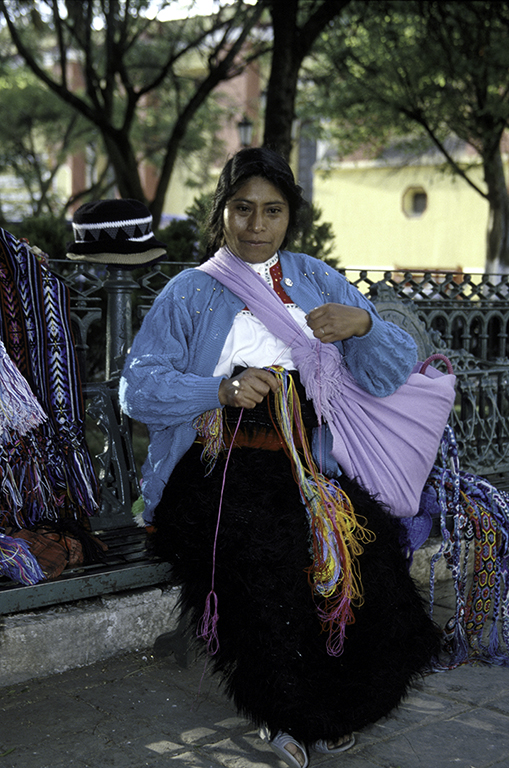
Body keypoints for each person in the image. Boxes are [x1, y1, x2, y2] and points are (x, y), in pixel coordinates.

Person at [119, 147, 441, 768]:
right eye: (242, 209)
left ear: (289, 217)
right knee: (265, 562)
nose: (255, 224)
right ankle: (283, 712)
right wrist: (220, 389)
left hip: (308, 465)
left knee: (372, 558)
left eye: (271, 210)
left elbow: (393, 367)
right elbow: (138, 389)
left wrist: (364, 327)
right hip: (216, 469)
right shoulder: (189, 292)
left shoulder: (316, 277)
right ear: (222, 215)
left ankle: (339, 706)